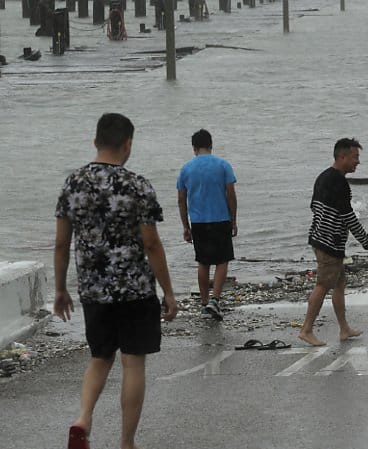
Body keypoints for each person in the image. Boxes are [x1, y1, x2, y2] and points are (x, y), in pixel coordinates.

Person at [53, 113, 178, 449]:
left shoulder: (73, 184)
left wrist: (61, 288)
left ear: (95, 141)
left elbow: (62, 243)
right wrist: (168, 291)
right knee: (133, 362)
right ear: (128, 144)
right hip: (135, 289)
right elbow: (151, 243)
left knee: (100, 356)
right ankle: (126, 442)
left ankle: (83, 418)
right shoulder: (137, 185)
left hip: (93, 288)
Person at [299, 138, 368, 346]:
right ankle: (306, 329)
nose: (357, 162)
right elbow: (348, 216)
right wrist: (365, 240)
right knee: (323, 284)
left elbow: (314, 207)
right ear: (342, 157)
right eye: (355, 157)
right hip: (329, 243)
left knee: (340, 283)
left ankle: (344, 329)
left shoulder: (323, 177)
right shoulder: (339, 183)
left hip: (320, 237)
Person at [177, 129, 237, 321]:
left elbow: (181, 199)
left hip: (198, 221)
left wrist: (185, 226)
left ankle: (204, 303)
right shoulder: (223, 165)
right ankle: (215, 300)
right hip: (220, 218)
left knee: (203, 262)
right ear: (211, 145)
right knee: (222, 260)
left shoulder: (186, 169)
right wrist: (233, 219)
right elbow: (231, 194)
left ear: (194, 148)